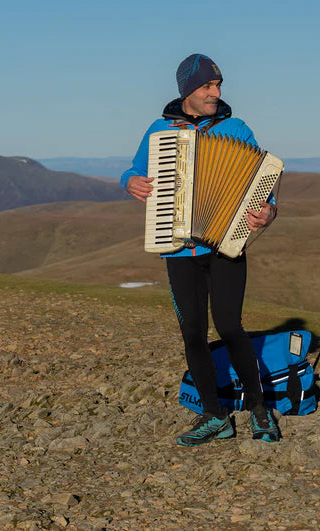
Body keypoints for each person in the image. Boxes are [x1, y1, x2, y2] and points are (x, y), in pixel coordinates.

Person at [120, 53, 281, 446]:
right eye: (209, 86)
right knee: (192, 331)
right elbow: (134, 171)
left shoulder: (236, 129)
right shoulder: (160, 131)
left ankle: (261, 411)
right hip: (177, 248)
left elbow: (262, 181)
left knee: (229, 326)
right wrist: (131, 183)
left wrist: (268, 210)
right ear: (188, 91)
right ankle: (215, 415)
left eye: (218, 85)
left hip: (226, 245)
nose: (217, 92)